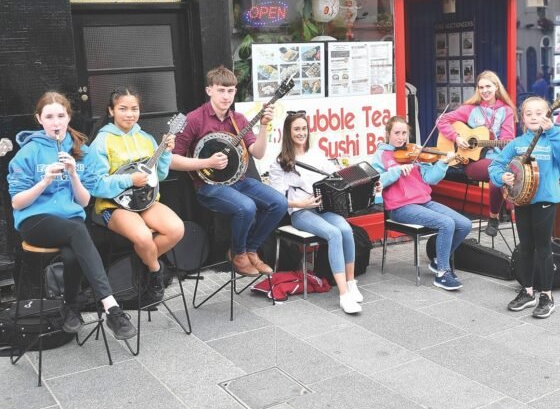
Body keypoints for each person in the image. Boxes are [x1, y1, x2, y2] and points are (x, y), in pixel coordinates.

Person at [7, 92, 136, 341]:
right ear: (39, 119)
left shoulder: (81, 151)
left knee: (72, 252)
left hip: (70, 218)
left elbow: (84, 201)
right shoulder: (28, 153)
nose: (56, 122)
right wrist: (44, 181)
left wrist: (74, 174)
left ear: (68, 117)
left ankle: (70, 306)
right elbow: (17, 201)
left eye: (61, 116)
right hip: (36, 220)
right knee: (78, 232)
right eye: (49, 117)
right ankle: (111, 306)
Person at [170, 66, 285, 277]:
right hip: (208, 186)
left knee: (279, 203)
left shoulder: (239, 120)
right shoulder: (194, 119)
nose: (226, 96)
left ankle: (250, 249)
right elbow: (171, 160)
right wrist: (207, 162)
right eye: (221, 90)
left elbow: (257, 153)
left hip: (239, 181)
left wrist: (264, 126)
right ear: (209, 90)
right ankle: (238, 254)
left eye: (230, 91)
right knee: (247, 207)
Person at [88, 88, 185, 304]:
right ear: (111, 111)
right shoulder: (101, 142)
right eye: (123, 108)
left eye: (134, 109)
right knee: (142, 237)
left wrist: (166, 152)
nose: (129, 114)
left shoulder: (147, 139)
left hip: (146, 201)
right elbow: (94, 185)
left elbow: (160, 174)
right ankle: (154, 271)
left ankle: (141, 263)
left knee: (176, 229)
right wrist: (128, 180)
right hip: (114, 205)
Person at [269, 112, 365, 314]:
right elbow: (277, 200)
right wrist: (299, 203)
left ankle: (351, 282)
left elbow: (336, 177)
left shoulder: (317, 154)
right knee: (333, 234)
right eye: (296, 129)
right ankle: (343, 295)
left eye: (304, 128)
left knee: (346, 230)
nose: (301, 133)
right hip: (301, 213)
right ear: (288, 131)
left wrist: (362, 181)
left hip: (322, 208)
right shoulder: (280, 163)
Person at [491, 97, 560, 318]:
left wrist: (554, 131)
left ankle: (547, 295)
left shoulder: (554, 140)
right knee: (526, 247)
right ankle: (528, 292)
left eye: (539, 113)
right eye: (529, 113)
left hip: (545, 200)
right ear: (523, 119)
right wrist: (503, 177)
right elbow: (496, 165)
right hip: (522, 201)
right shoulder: (517, 143)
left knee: (544, 248)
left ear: (548, 114)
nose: (534, 117)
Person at [373, 116, 471, 290]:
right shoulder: (381, 154)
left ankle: (438, 260)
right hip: (400, 207)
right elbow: (376, 182)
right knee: (446, 223)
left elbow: (430, 178)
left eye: (404, 133)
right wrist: (396, 171)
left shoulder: (414, 153)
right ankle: (442, 273)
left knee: (464, 224)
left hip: (424, 201)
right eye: (397, 133)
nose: (401, 137)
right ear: (388, 133)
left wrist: (443, 163)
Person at [435, 70, 516, 235]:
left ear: (496, 87)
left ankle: (494, 217)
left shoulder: (506, 110)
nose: (484, 90)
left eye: (488, 86)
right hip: (472, 162)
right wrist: (456, 138)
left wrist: (501, 146)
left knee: (498, 172)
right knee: (498, 170)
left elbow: (508, 138)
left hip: (498, 160)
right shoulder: (470, 109)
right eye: (481, 87)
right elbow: (442, 120)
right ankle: (510, 210)